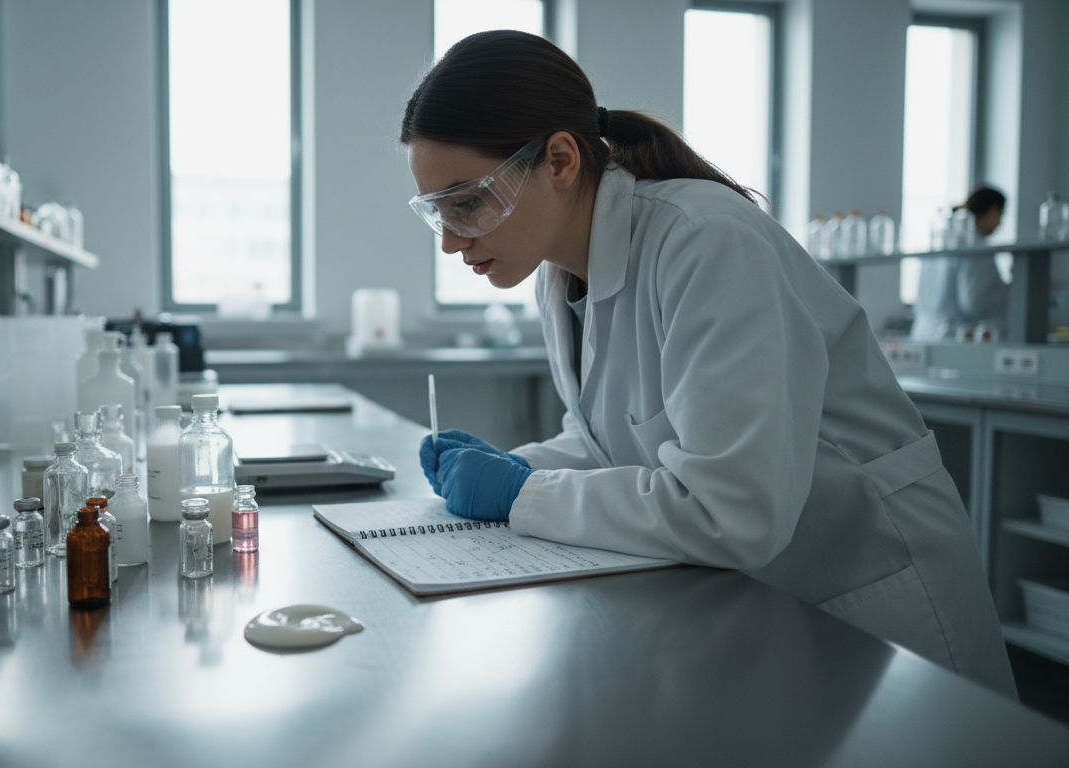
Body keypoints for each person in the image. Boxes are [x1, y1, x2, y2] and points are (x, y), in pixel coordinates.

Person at [406, 31, 1014, 695]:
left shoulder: (705, 242)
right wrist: (525, 463)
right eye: (436, 213)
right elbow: (612, 438)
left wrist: (520, 493)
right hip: (771, 601)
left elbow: (731, 511)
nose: (451, 241)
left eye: (466, 202)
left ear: (558, 159)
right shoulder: (559, 275)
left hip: (882, 600)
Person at [912, 186, 1008, 341]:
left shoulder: (940, 238)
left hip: (922, 333)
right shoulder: (976, 246)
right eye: (1001, 215)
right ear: (993, 210)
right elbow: (975, 303)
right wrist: (1008, 291)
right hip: (953, 338)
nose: (999, 224)